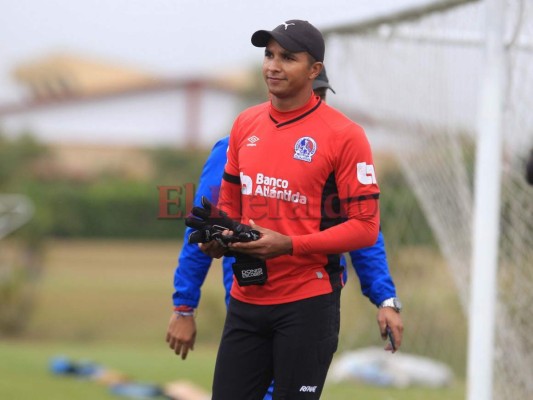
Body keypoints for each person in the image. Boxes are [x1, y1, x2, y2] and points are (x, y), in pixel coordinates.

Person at [193, 20, 402, 399]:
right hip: (246, 299)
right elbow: (229, 204)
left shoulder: (345, 135)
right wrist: (220, 236)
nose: (273, 66)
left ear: (314, 70)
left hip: (307, 304)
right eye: (269, 55)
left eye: (288, 57)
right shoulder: (245, 124)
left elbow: (365, 229)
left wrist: (289, 245)